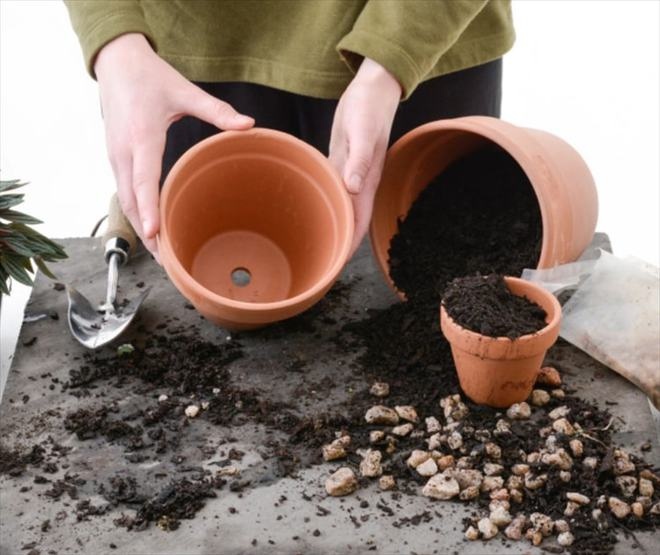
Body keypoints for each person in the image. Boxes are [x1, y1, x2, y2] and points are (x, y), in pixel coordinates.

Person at [64, 1, 514, 261]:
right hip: (182, 58)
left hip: (423, 38)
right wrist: (115, 43)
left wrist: (390, 64)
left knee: (436, 291)